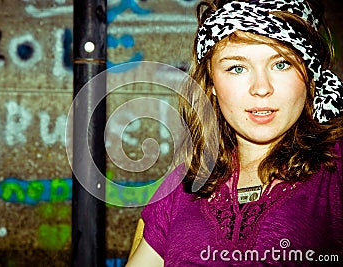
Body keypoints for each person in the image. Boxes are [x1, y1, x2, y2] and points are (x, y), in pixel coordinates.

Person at [126, 0, 343, 266]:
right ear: (212, 82)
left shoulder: (335, 170)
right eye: (237, 68)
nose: (261, 88)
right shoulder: (183, 184)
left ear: (310, 75)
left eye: (282, 63)